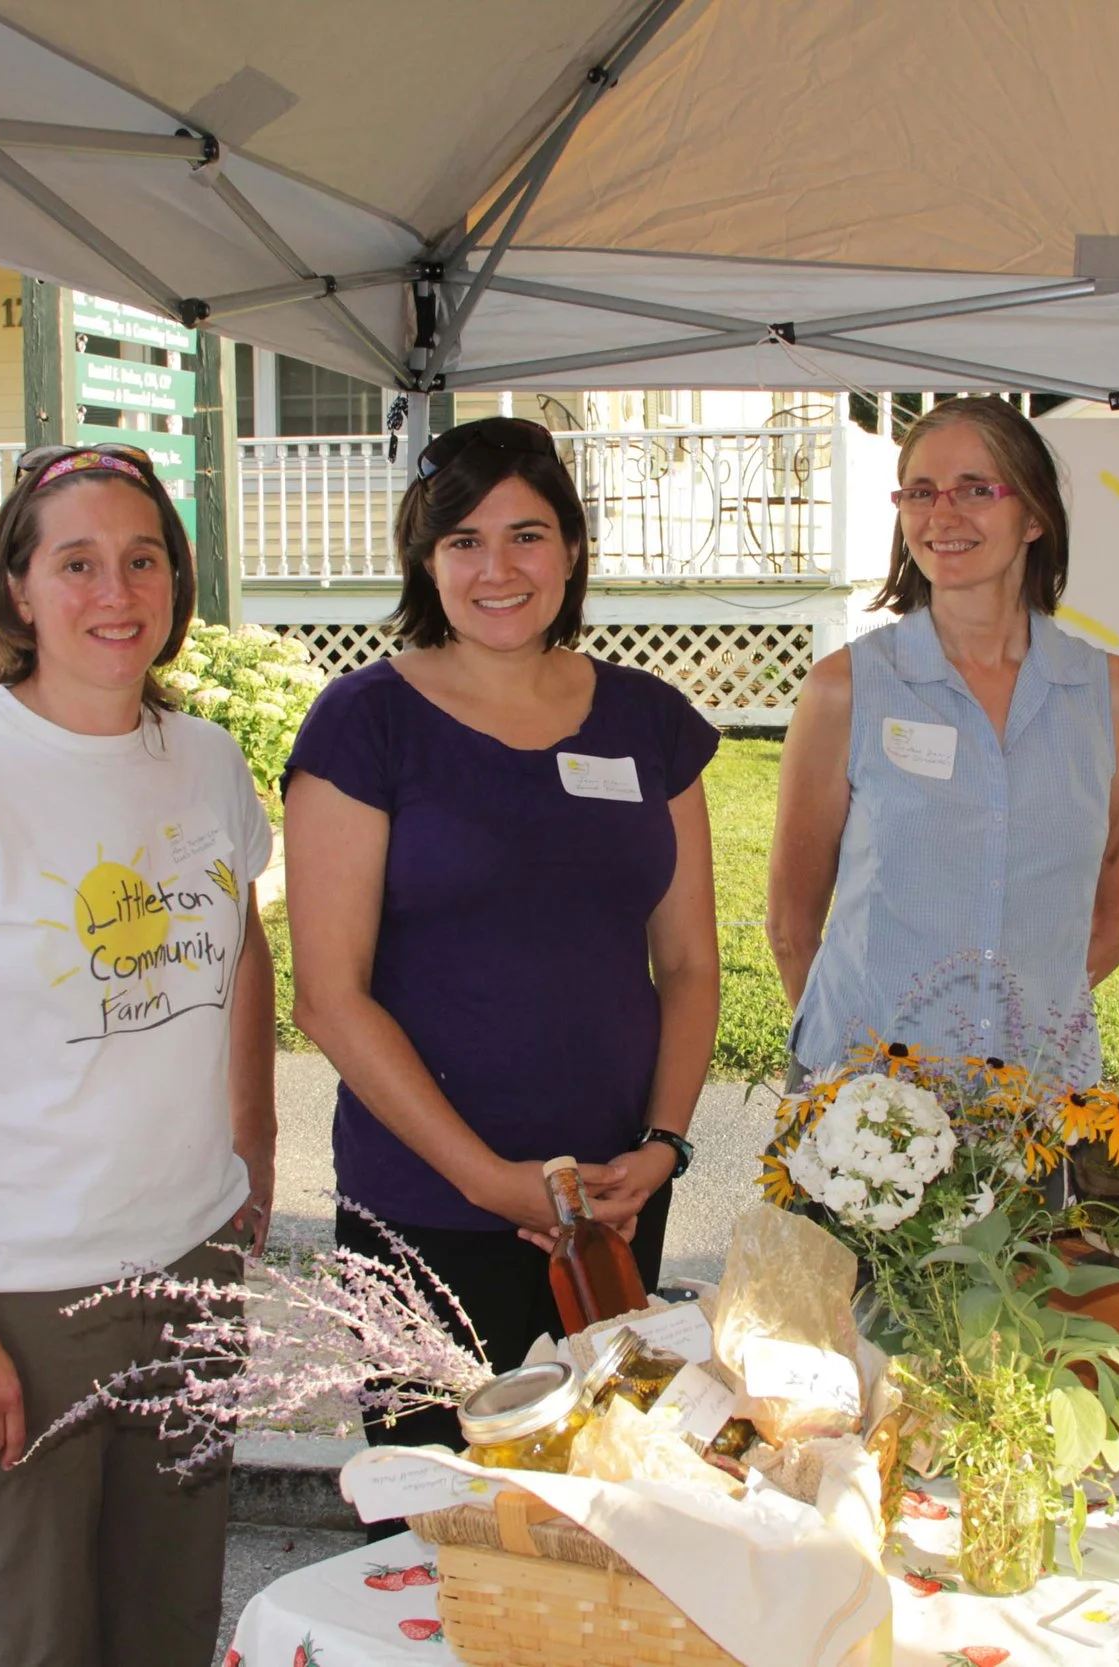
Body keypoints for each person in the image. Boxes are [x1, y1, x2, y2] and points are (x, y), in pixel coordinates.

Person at [0, 444, 277, 1666]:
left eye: (143, 560)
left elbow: (246, 949)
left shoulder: (202, 758)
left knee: (165, 1624)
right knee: (34, 1639)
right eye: (76, 562)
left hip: (190, 1261)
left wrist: (256, 1138)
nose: (115, 590)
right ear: (18, 591)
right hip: (20, 1292)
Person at [281, 417, 720, 1442]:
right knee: (435, 1527)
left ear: (571, 549)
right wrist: (488, 1178)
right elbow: (326, 994)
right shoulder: (364, 723)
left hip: (611, 1208)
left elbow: (692, 962)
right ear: (424, 561)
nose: (497, 567)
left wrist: (661, 1146)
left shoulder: (648, 720)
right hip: (429, 1208)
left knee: (606, 1505)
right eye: (463, 541)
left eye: (526, 534)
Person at [768, 396, 1119, 1085]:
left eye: (975, 489)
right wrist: (854, 1084)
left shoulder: (1111, 696)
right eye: (920, 492)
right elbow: (792, 925)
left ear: (1034, 515)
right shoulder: (845, 689)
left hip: (1033, 1102)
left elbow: (1114, 919)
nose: (941, 515)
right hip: (864, 1109)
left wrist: (1020, 1027)